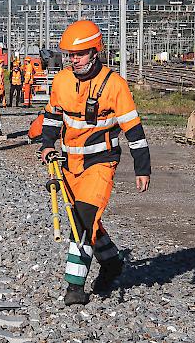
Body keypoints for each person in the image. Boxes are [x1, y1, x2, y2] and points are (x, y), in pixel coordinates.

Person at [39, 20, 151, 306]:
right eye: (69, 55)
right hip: (69, 162)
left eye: (79, 54)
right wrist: (46, 144)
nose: (73, 60)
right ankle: (112, 262)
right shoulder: (63, 81)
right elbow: (53, 116)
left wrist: (142, 167)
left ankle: (74, 286)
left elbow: (133, 129)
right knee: (85, 218)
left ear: (95, 52)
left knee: (84, 219)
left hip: (101, 161)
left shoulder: (115, 85)